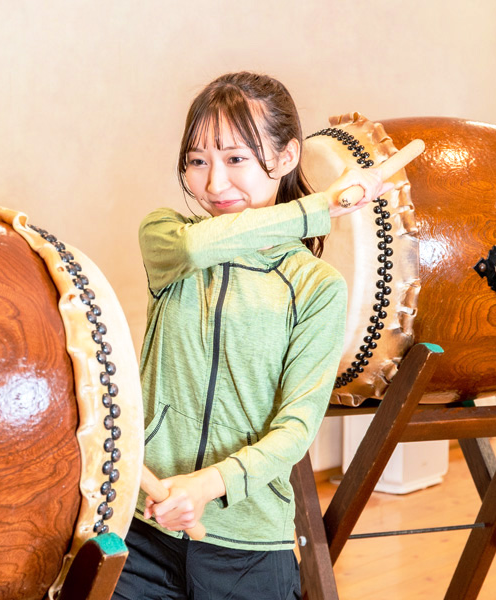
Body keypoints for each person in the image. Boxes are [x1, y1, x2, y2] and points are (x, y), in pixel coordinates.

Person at [113, 72, 392, 599]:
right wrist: (322, 208)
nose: (214, 184)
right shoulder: (169, 240)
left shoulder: (315, 287)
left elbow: (295, 430)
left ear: (287, 157)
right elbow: (200, 249)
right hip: (143, 527)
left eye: (236, 158)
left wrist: (206, 486)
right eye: (198, 161)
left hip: (246, 547)